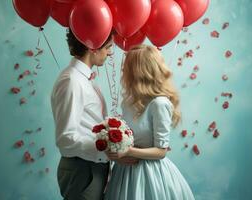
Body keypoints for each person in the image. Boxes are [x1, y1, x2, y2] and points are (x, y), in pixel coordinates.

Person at [104, 44, 195, 200]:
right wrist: (114, 151)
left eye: (127, 67)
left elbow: (161, 151)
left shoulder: (160, 103)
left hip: (152, 175)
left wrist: (128, 152)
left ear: (138, 71)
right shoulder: (129, 102)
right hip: (125, 173)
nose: (123, 71)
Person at [51, 29, 113, 200]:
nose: (110, 52)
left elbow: (90, 123)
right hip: (82, 170)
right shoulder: (71, 81)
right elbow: (65, 138)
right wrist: (107, 147)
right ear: (92, 47)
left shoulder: (84, 79)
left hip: (93, 167)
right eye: (108, 47)